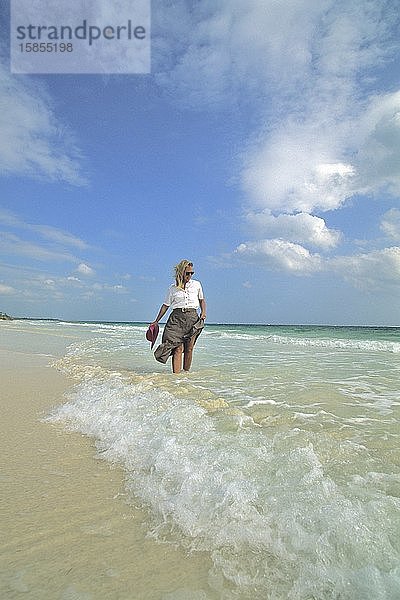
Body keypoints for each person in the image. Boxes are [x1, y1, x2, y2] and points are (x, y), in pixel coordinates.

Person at [150, 260, 206, 373]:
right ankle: (176, 378)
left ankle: (185, 374)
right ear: (181, 272)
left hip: (192, 318)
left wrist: (203, 312)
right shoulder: (172, 288)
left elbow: (202, 300)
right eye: (187, 273)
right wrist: (156, 321)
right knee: (177, 348)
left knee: (189, 348)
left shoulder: (197, 285)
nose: (190, 275)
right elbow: (165, 305)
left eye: (192, 273)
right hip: (176, 319)